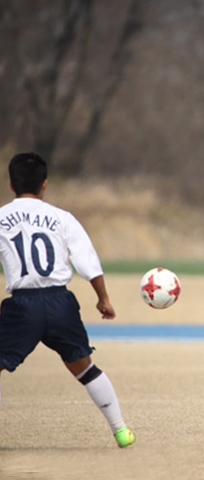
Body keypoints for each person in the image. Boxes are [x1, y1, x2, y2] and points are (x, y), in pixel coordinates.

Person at [0, 152, 135, 448]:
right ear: (45, 184)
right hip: (60, 302)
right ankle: (121, 430)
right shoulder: (62, 218)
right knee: (85, 368)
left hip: (23, 305)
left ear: (11, 185)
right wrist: (104, 299)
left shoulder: (1, 217)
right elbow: (87, 261)